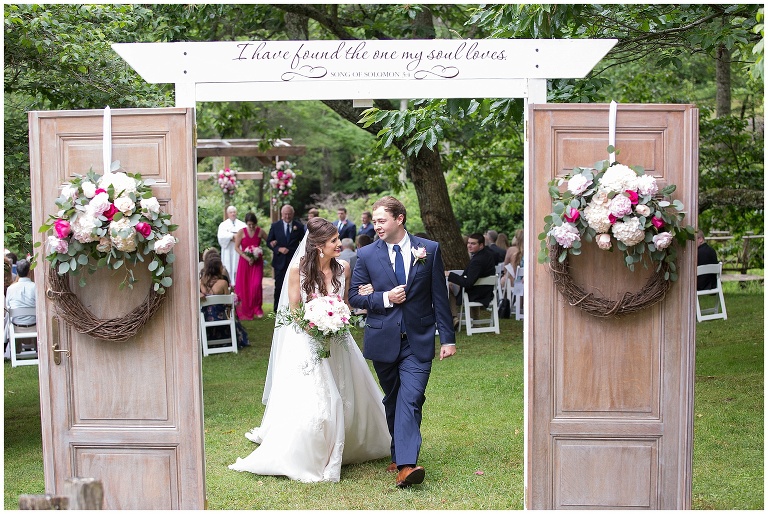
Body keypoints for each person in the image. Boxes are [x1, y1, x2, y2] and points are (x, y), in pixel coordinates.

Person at [229, 217, 390, 482]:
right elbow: (294, 311)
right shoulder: (298, 271)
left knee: (347, 391)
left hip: (339, 339)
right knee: (322, 397)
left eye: (338, 239)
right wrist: (316, 328)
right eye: (334, 241)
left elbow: (345, 303)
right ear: (317, 246)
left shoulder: (344, 268)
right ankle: (311, 451)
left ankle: (352, 442)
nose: (339, 245)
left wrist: (339, 318)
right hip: (307, 339)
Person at [349, 196, 456, 489]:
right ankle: (399, 455)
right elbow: (354, 297)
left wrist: (447, 338)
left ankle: (407, 466)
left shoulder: (429, 250)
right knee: (394, 399)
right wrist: (384, 297)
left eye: (382, 220)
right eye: (375, 221)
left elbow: (439, 297)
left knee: (411, 397)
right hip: (382, 338)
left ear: (400, 219)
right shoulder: (367, 254)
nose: (376, 225)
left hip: (418, 341)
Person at [446, 232, 497, 327]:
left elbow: (468, 283)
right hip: (486, 291)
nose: (469, 246)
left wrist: (450, 274)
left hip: (478, 294)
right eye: (469, 243)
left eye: (473, 244)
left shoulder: (477, 260)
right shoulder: (487, 255)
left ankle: (454, 318)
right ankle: (475, 321)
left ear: (481, 245)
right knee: (457, 284)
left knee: (449, 286)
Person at [200, 255, 250, 348]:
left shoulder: (201, 282)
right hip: (222, 317)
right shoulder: (223, 283)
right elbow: (228, 302)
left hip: (207, 317)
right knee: (231, 313)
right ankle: (234, 339)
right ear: (218, 268)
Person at [267, 204, 305, 312]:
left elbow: (303, 243)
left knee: (294, 286)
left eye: (289, 214)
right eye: (285, 214)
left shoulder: (299, 226)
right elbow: (269, 242)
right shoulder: (275, 226)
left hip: (294, 262)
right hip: (280, 262)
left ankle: (293, 308)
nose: (287, 216)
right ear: (281, 214)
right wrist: (278, 249)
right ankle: (277, 309)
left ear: (293, 214)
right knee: (279, 286)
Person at [234, 212, 268, 320]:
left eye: (253, 224)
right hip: (245, 262)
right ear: (246, 223)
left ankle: (257, 308)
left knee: (256, 285)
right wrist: (247, 257)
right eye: (249, 224)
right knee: (245, 285)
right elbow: (236, 247)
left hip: (257, 262)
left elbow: (269, 241)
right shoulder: (241, 232)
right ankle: (246, 308)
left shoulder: (260, 231)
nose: (252, 227)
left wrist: (260, 252)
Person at [5, 259, 36, 359]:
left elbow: (8, 306)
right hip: (34, 324)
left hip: (16, 326)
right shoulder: (35, 287)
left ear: (17, 272)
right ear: (29, 271)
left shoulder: (11, 288)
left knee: (7, 317)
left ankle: (6, 346)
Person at [217, 206, 247, 286]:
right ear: (227, 214)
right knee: (228, 267)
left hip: (238, 250)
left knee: (238, 267)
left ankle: (239, 285)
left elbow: (246, 235)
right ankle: (229, 284)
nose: (233, 214)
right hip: (228, 250)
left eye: (234, 212)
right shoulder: (223, 225)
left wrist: (237, 238)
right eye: (231, 212)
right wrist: (232, 236)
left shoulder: (242, 224)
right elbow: (221, 236)